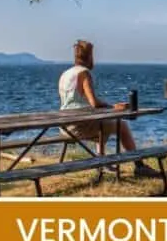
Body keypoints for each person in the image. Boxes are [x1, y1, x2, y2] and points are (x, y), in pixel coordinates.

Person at [58, 40, 159, 178]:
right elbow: (93, 103)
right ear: (89, 57)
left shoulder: (65, 74)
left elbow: (74, 103)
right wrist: (113, 107)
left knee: (105, 125)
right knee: (122, 126)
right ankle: (139, 166)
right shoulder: (84, 73)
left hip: (64, 126)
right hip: (79, 126)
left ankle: (103, 162)